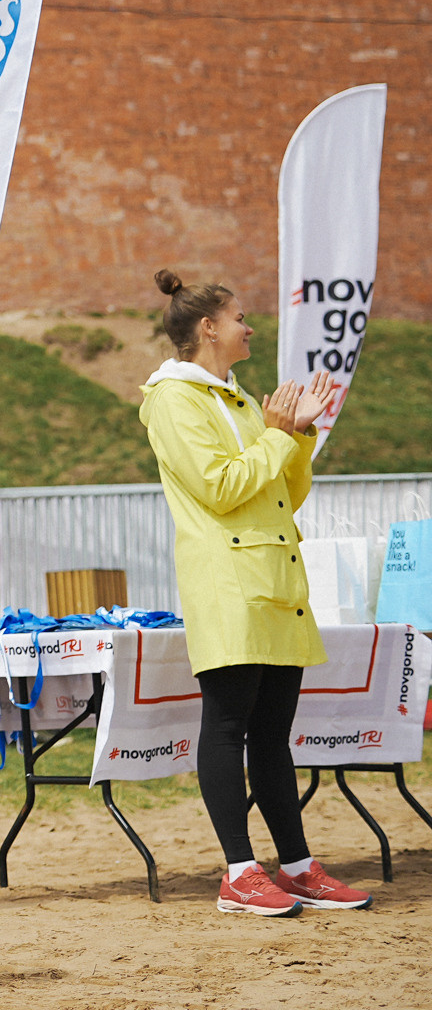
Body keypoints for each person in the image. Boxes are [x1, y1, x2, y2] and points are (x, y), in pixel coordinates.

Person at [141, 268, 370, 918]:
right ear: (207, 327)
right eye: (239, 316)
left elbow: (282, 494)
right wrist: (275, 434)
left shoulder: (240, 400)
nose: (250, 327)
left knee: (273, 735)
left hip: (274, 582)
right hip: (229, 584)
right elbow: (218, 486)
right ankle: (239, 873)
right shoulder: (174, 399)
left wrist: (296, 435)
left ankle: (296, 867)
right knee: (228, 726)